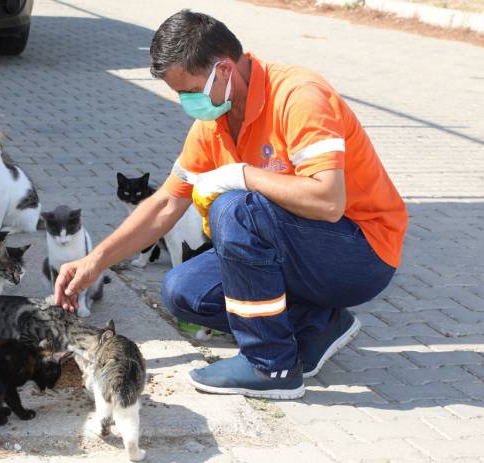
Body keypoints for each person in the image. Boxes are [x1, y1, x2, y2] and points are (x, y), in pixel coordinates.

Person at [54, 10, 407, 400]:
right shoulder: (214, 122)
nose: (185, 102)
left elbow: (328, 201)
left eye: (188, 92)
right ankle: (316, 323)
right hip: (302, 251)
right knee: (182, 290)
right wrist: (95, 261)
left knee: (236, 208)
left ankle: (270, 365)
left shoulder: (299, 96)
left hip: (360, 252)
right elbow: (165, 204)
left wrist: (244, 175)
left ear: (223, 69)